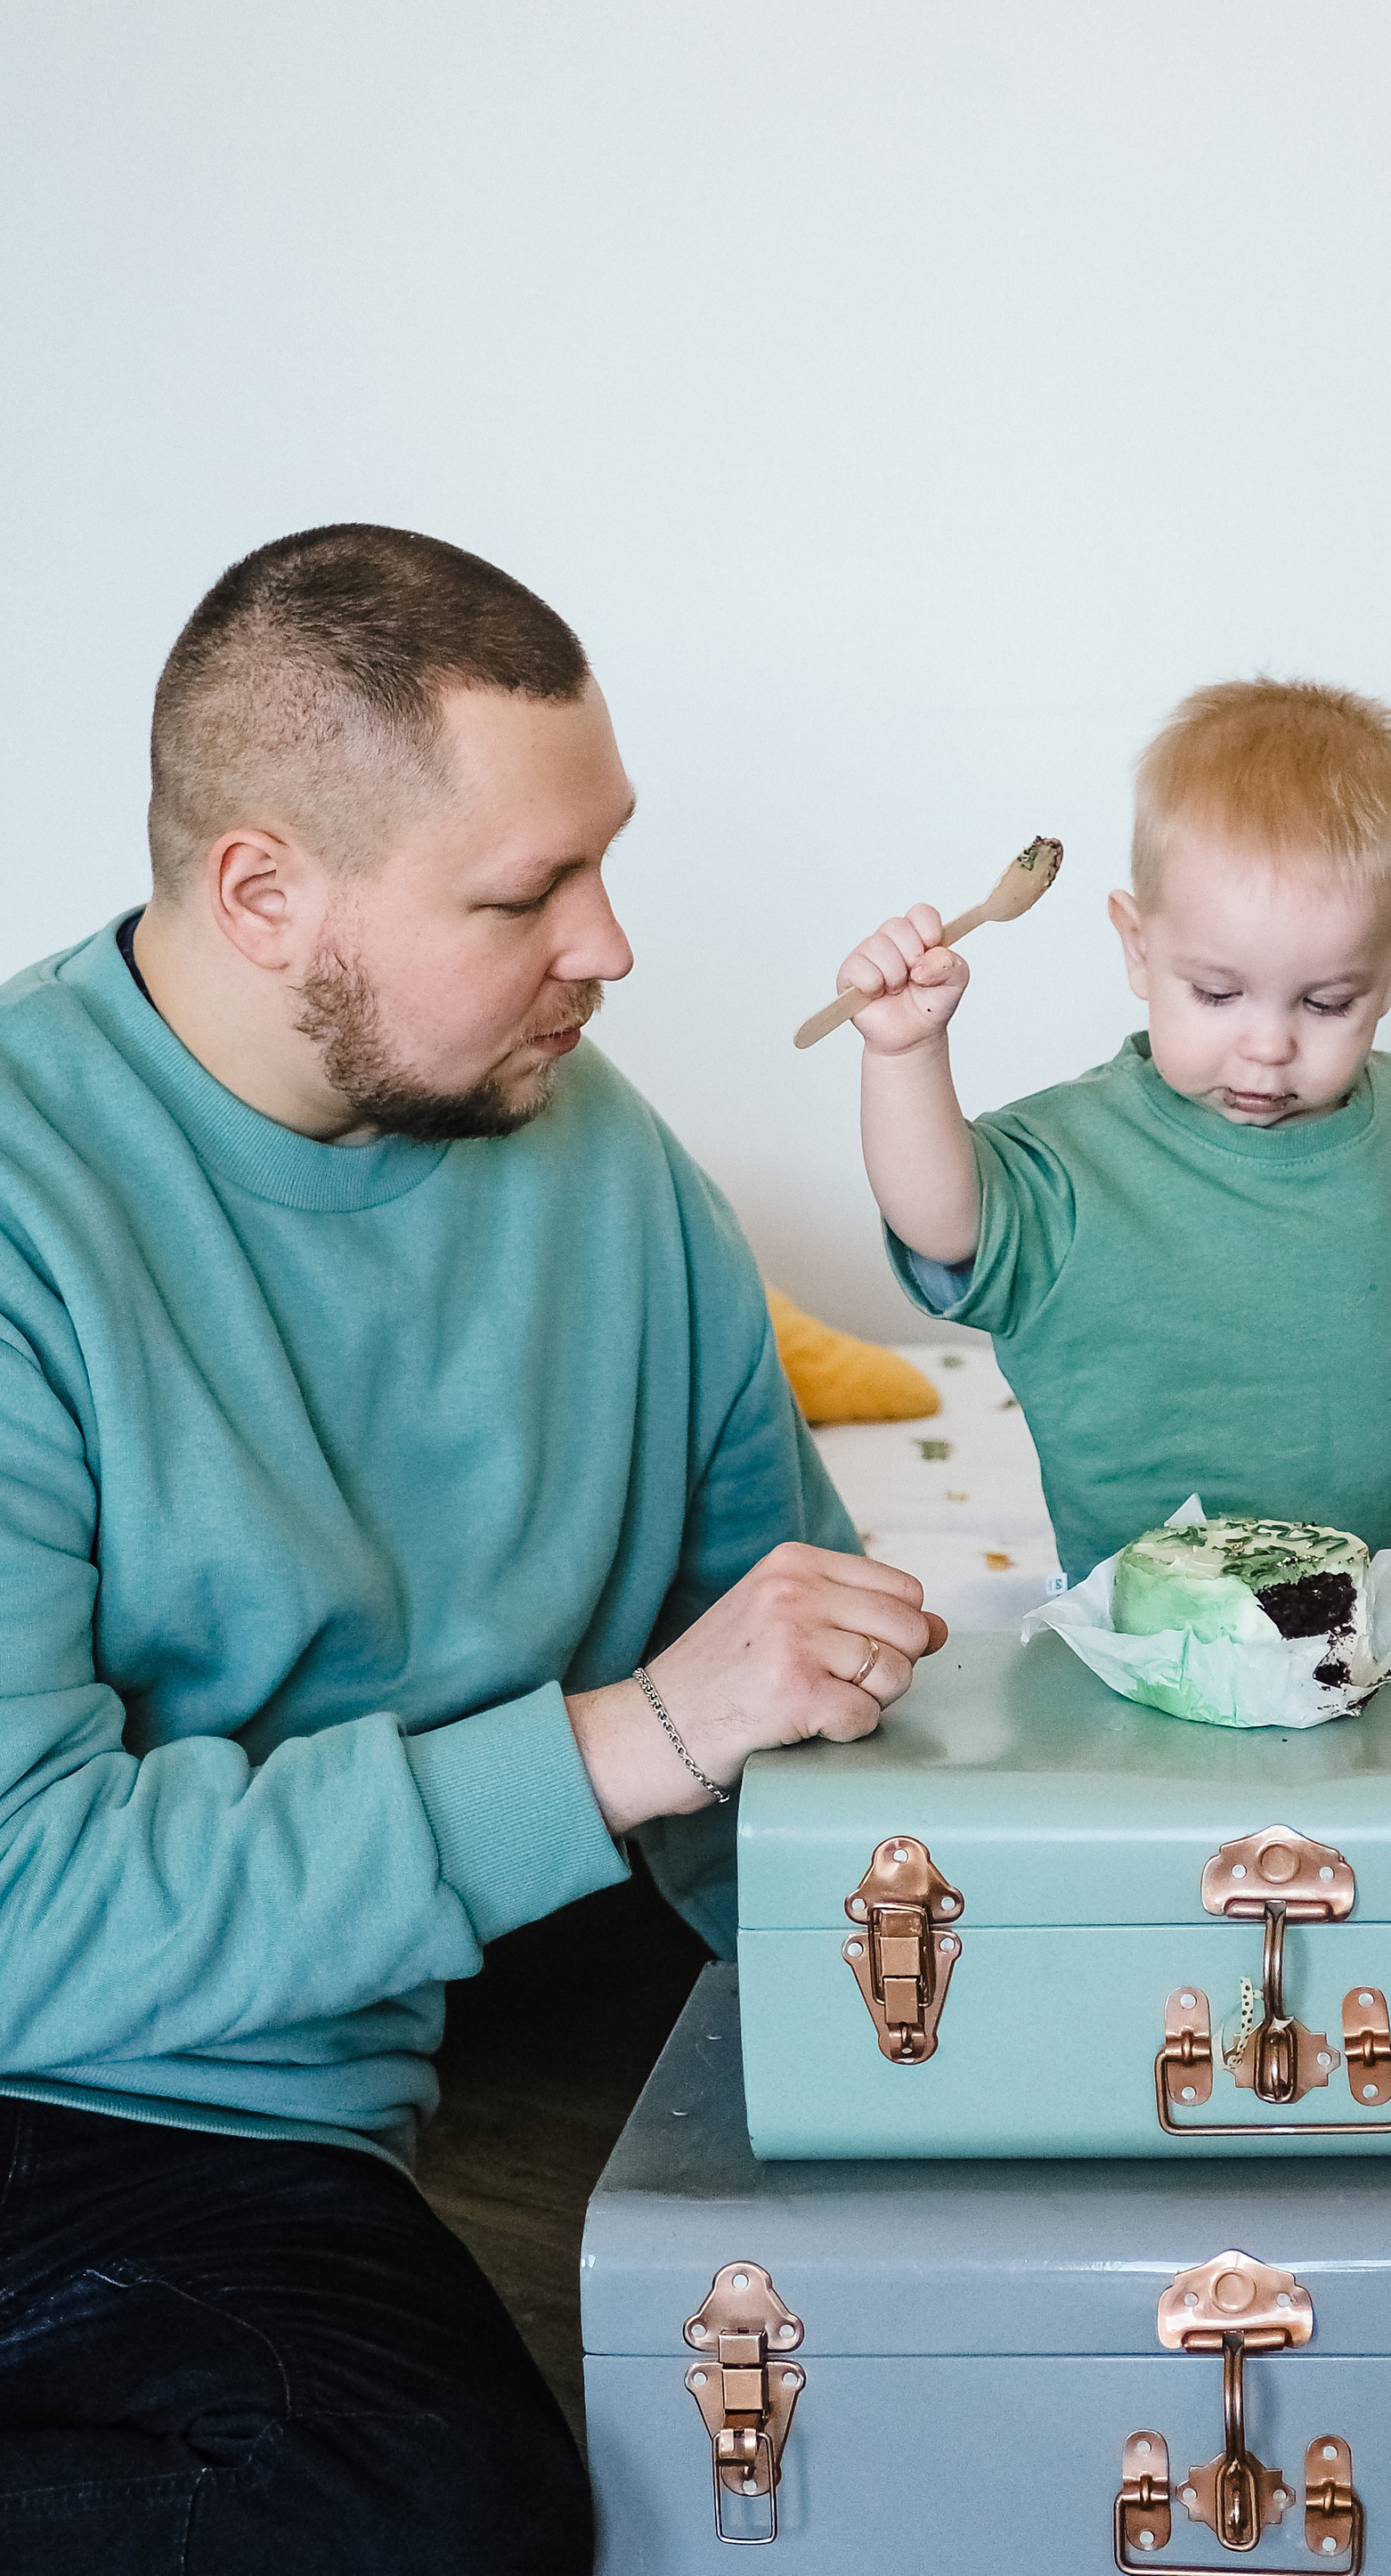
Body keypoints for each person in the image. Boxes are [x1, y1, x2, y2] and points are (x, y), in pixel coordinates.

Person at [0, 526, 943, 2575]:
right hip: (63, 2074)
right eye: (527, 891)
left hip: (366, 2021)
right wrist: (619, 1740)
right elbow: (22, 1907)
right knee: (414, 2511)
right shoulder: (24, 1204)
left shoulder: (610, 1174)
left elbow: (766, 1723)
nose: (609, 944)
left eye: (603, 858)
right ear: (265, 893)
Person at [830, 676, 1391, 1596]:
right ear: (1138, 947)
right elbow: (943, 1224)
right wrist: (905, 1053)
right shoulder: (1070, 1157)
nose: (1267, 1044)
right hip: (1157, 1624)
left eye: (1326, 1000)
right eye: (1216, 993)